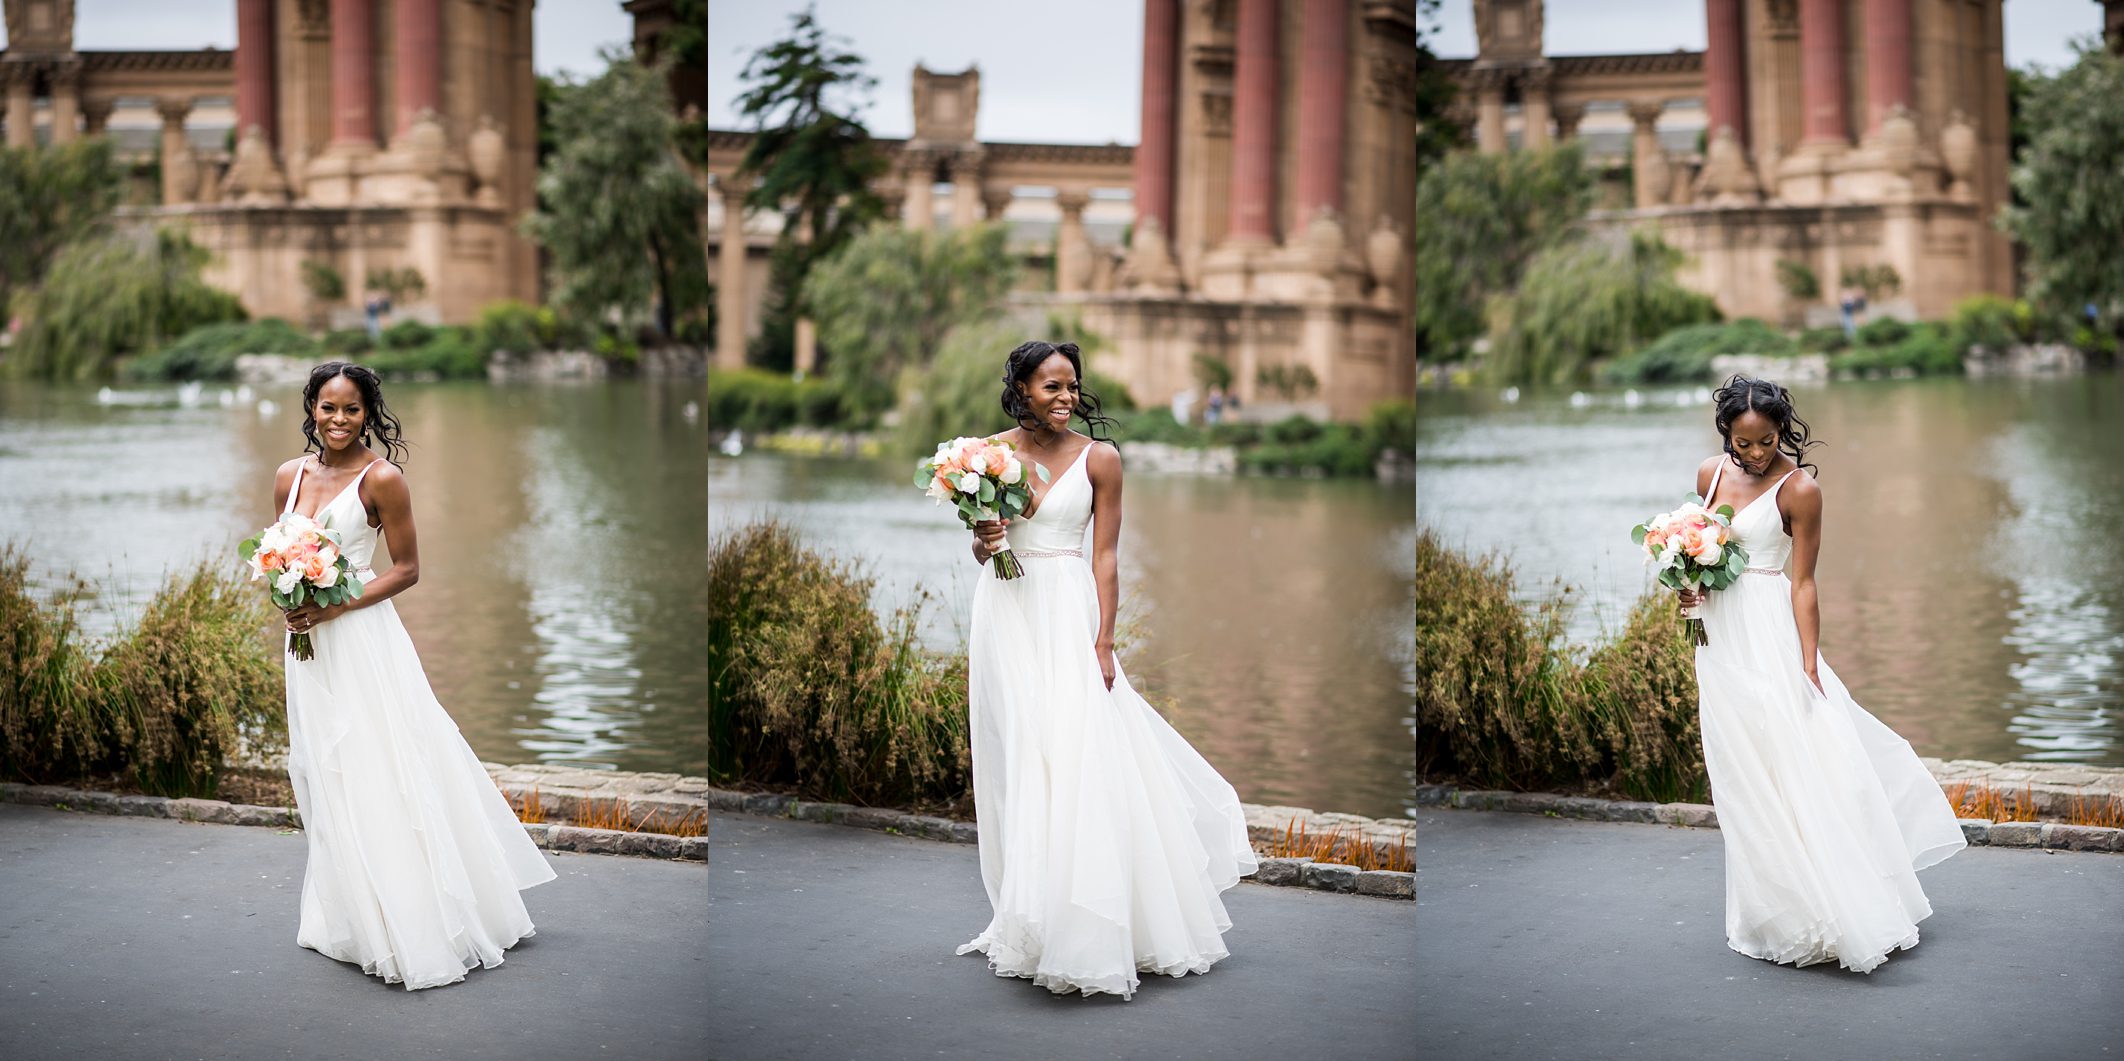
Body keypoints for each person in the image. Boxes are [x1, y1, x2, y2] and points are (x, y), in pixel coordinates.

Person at [960, 340, 1257, 1000]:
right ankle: (1030, 915)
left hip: (1067, 611)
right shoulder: (988, 455)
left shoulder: (1102, 459)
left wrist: (1104, 640)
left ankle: (1094, 922)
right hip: (1007, 610)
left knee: (1077, 750)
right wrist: (984, 540)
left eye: (1072, 387)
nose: (1066, 398)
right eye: (1051, 387)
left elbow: (1107, 560)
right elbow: (987, 551)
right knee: (1025, 754)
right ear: (1021, 389)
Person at [272, 362, 555, 989]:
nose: (338, 420)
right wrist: (289, 596)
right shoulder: (288, 477)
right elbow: (279, 556)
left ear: (369, 413)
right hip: (305, 642)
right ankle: (350, 913)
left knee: (380, 765)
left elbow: (406, 569)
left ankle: (413, 918)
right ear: (311, 409)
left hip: (362, 639)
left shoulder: (384, 479)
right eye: (327, 408)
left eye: (351, 410)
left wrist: (334, 605)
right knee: (326, 766)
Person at [1675, 375, 1965, 973]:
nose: (1754, 453)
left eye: (1766, 440)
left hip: (1768, 632)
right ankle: (1770, 910)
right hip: (1718, 638)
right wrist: (1687, 584)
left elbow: (1804, 582)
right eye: (1742, 442)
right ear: (1726, 434)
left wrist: (1809, 664)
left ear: (1783, 429)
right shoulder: (1708, 475)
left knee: (1793, 756)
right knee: (1740, 767)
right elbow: (1702, 551)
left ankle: (1831, 903)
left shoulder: (1800, 489)